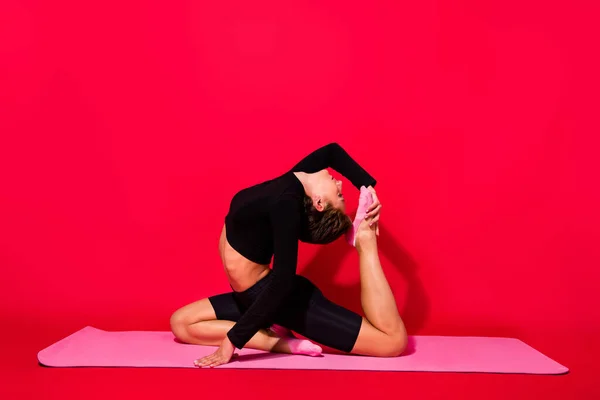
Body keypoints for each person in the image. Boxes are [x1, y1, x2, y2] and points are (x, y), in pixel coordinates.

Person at [170, 143, 407, 367]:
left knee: (392, 342)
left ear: (320, 203)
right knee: (180, 323)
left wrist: (232, 341)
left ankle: (364, 242)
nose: (341, 186)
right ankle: (283, 343)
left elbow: (283, 280)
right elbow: (331, 152)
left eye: (340, 197)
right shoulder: (292, 183)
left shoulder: (286, 202)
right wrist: (366, 185)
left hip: (282, 301)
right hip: (252, 300)